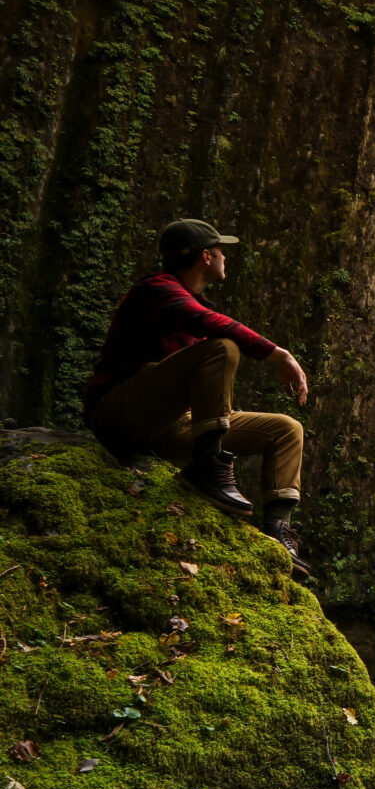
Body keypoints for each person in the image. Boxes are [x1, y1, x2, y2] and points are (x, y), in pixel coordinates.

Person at [83, 218, 313, 576]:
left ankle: (278, 532)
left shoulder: (193, 302)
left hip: (169, 426)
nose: (226, 258)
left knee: (286, 428)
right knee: (223, 346)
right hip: (122, 413)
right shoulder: (157, 289)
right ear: (206, 256)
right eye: (222, 251)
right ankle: (208, 466)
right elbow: (208, 323)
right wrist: (279, 354)